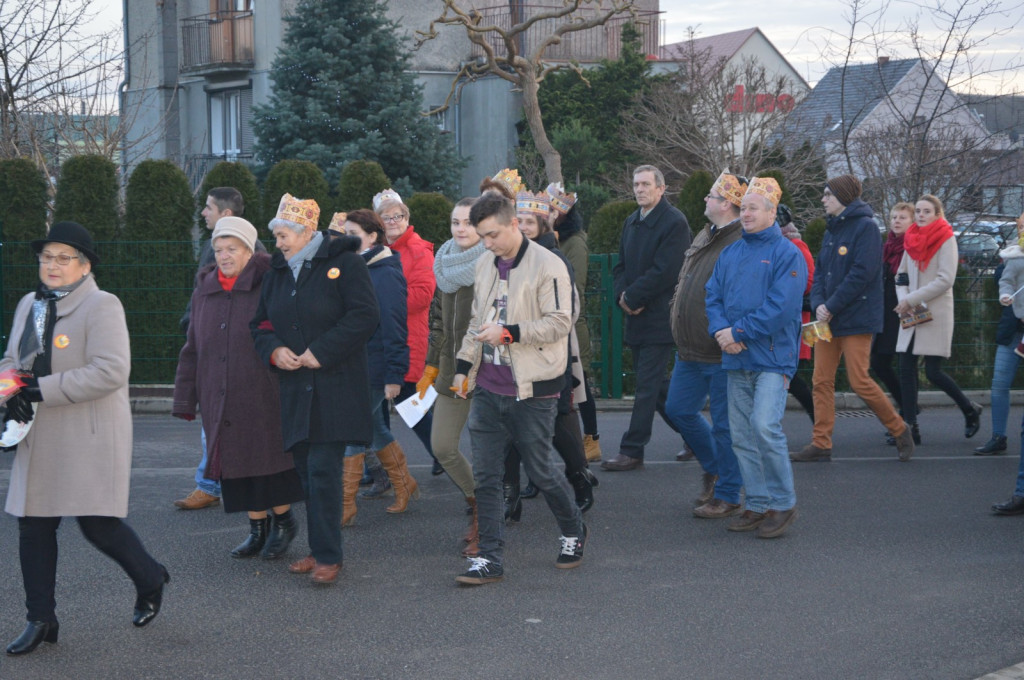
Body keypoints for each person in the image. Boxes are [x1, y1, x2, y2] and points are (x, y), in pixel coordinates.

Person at [1, 222, 169, 655]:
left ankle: (150, 578)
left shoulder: (102, 305)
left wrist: (39, 389)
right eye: (46, 256)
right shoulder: (29, 304)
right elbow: (12, 360)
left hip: (87, 433)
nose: (52, 265)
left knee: (98, 525)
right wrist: (8, 390)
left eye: (64, 257)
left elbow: (110, 370)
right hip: (38, 433)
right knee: (33, 526)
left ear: (85, 265)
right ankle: (41, 619)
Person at [451, 190, 586, 585]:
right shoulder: (484, 264)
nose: (486, 244)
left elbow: (560, 322)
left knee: (541, 471)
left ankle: (573, 529)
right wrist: (463, 367)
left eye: (492, 235)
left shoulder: (549, 264)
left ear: (514, 224)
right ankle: (489, 559)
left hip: (533, 389)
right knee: (487, 478)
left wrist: (509, 333)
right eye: (482, 236)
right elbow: (476, 322)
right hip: (487, 389)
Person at [251, 194, 379, 585]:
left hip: (335, 387)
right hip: (295, 388)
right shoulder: (277, 272)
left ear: (307, 232)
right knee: (306, 473)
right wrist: (275, 351)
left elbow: (365, 316)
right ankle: (320, 545)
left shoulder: (346, 263)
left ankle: (327, 557)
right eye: (276, 235)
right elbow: (260, 325)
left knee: (323, 470)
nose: (278, 243)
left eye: (284, 235)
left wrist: (320, 352)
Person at [172, 217, 304, 560]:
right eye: (218, 250)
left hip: (262, 391)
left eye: (232, 249)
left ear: (249, 251)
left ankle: (284, 522)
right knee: (236, 466)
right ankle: (257, 528)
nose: (224, 256)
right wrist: (185, 397)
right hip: (218, 393)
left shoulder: (269, 284)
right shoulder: (204, 291)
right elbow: (192, 347)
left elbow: (288, 332)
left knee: (268, 464)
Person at [704, 177, 807, 538]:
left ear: (771, 213)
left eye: (753, 208)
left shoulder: (787, 253)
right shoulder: (730, 253)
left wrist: (737, 333)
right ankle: (758, 503)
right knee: (742, 436)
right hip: (736, 358)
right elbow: (713, 296)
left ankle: (783, 503)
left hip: (772, 358)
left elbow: (782, 307)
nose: (745, 213)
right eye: (743, 207)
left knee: (764, 427)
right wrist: (721, 331)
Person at [791, 175, 915, 463]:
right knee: (821, 380)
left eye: (827, 194)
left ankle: (900, 429)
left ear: (843, 196)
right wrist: (819, 305)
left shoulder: (866, 227)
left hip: (856, 317)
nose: (823, 199)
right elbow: (820, 273)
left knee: (859, 380)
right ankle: (821, 443)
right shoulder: (832, 227)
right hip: (827, 319)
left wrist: (831, 305)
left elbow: (863, 273)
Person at [174, 187, 266, 511]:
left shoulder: (257, 268)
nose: (203, 213)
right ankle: (213, 484)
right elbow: (203, 294)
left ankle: (216, 486)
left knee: (231, 433)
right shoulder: (212, 251)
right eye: (219, 251)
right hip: (215, 360)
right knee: (215, 426)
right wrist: (194, 325)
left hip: (242, 371)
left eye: (209, 207)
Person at [505, 188, 595, 515]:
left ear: (544, 224)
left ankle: (579, 477)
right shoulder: (507, 256)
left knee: (555, 423)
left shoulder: (555, 259)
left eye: (530, 221)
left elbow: (567, 310)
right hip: (512, 353)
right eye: (519, 220)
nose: (524, 227)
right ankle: (510, 495)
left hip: (546, 354)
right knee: (508, 423)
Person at [665, 171, 746, 519]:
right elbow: (685, 280)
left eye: (711, 195)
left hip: (720, 351)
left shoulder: (739, 240)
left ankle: (728, 494)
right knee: (678, 409)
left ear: (726, 203)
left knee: (726, 426)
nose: (705, 198)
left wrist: (730, 333)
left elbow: (738, 297)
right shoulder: (706, 233)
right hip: (690, 348)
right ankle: (715, 469)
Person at [602, 164, 690, 472]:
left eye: (645, 184)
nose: (639, 189)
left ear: (661, 189)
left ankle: (632, 449)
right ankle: (695, 436)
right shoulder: (631, 221)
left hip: (660, 316)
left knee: (646, 386)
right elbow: (620, 267)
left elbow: (667, 270)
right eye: (636, 184)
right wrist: (623, 297)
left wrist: (633, 297)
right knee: (656, 386)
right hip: (636, 315)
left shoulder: (675, 222)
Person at [334, 210, 420, 524]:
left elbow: (395, 326)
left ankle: (345, 505)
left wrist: (395, 374)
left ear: (372, 236)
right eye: (344, 233)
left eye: (353, 233)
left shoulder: (384, 273)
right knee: (373, 428)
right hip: (355, 365)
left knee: (352, 429)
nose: (346, 239)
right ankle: (404, 483)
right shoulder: (356, 267)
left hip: (375, 366)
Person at [417, 197, 486, 556]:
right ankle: (479, 505)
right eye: (455, 222)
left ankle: (489, 522)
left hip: (487, 372)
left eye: (468, 223)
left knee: (497, 454)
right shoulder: (442, 262)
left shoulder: (493, 262)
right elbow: (438, 322)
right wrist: (431, 367)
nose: (461, 229)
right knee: (443, 446)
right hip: (450, 370)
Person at [894, 194, 982, 444]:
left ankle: (969, 409)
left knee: (933, 372)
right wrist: (904, 299)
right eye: (918, 211)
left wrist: (911, 299)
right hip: (912, 311)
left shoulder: (946, 239)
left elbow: (945, 280)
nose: (921, 215)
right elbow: (901, 275)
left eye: (926, 211)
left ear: (937, 214)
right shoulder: (911, 237)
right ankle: (910, 427)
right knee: (905, 367)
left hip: (935, 313)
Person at [374, 191, 442, 475]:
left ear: (407, 218)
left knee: (409, 403)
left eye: (397, 216)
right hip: (379, 338)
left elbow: (423, 295)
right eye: (386, 217)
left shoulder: (417, 250)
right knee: (379, 406)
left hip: (405, 336)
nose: (392, 221)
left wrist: (382, 302)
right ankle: (383, 469)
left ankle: (442, 454)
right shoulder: (378, 248)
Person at [548, 183, 603, 463]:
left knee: (579, 387)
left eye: (553, 208)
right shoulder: (552, 238)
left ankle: (592, 438)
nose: (548, 212)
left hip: (571, 326)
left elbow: (575, 288)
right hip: (558, 325)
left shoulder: (575, 243)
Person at [977, 212, 1024, 456]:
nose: (1022, 230)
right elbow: (1002, 280)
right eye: (1020, 226)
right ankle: (998, 436)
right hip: (1012, 328)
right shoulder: (1013, 254)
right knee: (999, 383)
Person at [871, 203, 914, 444]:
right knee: (879, 363)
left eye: (902, 217)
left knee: (907, 367)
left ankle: (907, 417)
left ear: (912, 221)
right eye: (894, 217)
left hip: (906, 311)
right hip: (886, 311)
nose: (896, 221)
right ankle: (908, 408)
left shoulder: (913, 246)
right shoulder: (887, 246)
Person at [778, 204, 816, 422]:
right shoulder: (780, 246)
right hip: (785, 318)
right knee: (788, 376)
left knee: (789, 376)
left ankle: (818, 418)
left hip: (795, 319)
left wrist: (782, 291)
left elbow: (809, 281)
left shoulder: (796, 246)